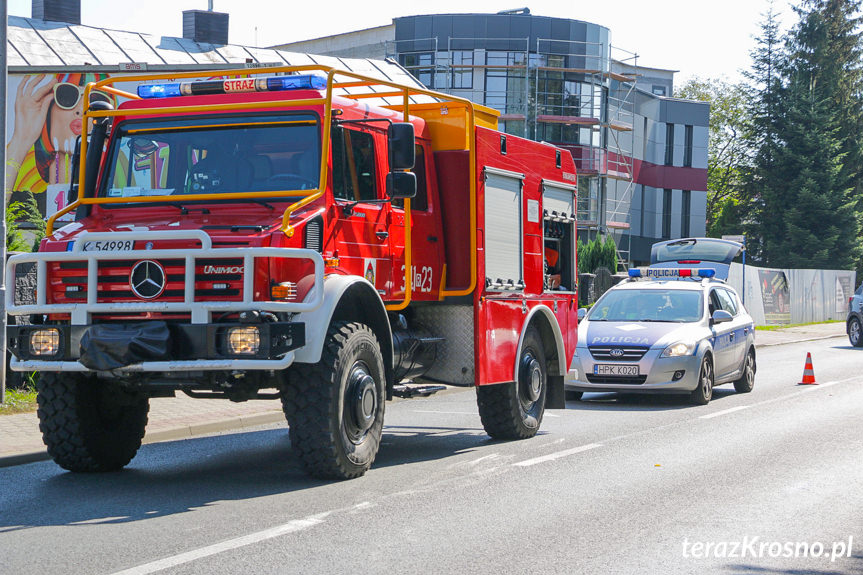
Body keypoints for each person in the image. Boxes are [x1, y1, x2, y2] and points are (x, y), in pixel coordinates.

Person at [5, 73, 113, 211]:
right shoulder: (26, 205)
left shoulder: (113, 200)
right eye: (67, 96)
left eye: (96, 101)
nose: (81, 109)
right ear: (48, 110)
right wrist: (21, 139)